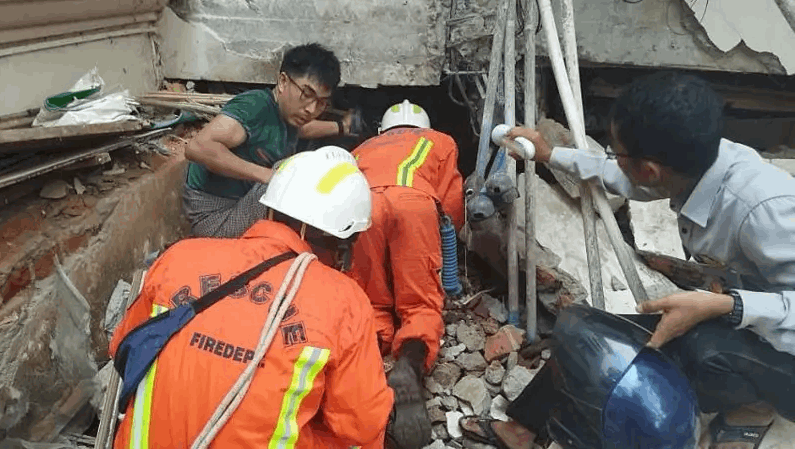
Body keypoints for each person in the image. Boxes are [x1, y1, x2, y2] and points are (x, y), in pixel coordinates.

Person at [459, 71, 795, 449]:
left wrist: (725, 306)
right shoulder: (697, 163)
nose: (613, 161)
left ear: (649, 168)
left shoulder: (766, 211)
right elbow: (627, 178)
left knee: (701, 351)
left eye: (617, 155)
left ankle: (752, 407)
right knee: (596, 339)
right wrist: (550, 154)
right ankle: (524, 428)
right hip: (756, 318)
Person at [110, 147, 394, 448]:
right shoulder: (343, 300)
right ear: (343, 242)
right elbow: (362, 425)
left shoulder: (180, 256)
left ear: (269, 208)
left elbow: (122, 349)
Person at [348, 100, 464, 448]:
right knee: (420, 305)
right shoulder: (440, 141)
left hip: (364, 207)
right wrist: (445, 245)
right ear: (424, 127)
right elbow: (452, 204)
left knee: (369, 301)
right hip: (414, 203)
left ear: (382, 129)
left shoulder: (360, 148)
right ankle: (410, 364)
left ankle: (366, 367)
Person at [183, 43, 356, 238]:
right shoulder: (254, 107)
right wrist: (268, 176)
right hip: (215, 218)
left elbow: (301, 130)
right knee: (287, 178)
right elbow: (197, 147)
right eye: (307, 94)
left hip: (242, 200)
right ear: (283, 81)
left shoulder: (289, 114)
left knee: (299, 169)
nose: (311, 110)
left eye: (321, 103)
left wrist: (341, 127)